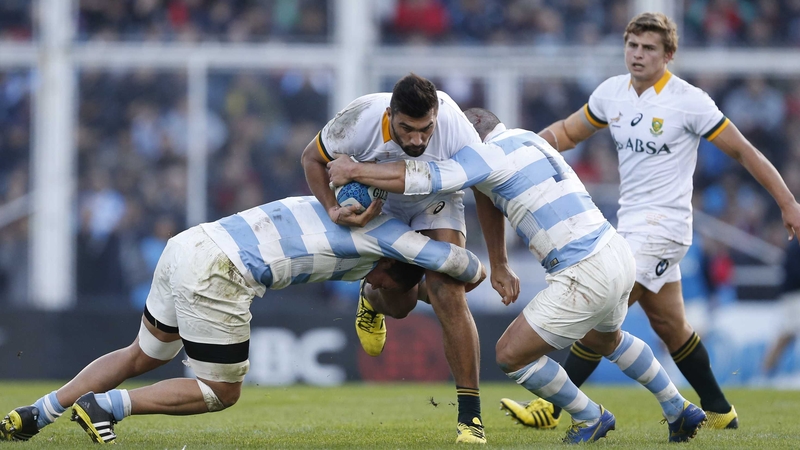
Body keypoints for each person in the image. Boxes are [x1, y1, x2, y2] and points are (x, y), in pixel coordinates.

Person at [327, 108, 706, 443]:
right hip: (615, 251)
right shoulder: (527, 140)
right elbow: (488, 196)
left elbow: (424, 178)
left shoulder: (482, 154)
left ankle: (591, 416)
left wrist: (355, 170)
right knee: (607, 341)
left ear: (472, 131)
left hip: (582, 268)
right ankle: (679, 407)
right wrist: (500, 262)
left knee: (511, 356)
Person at [500, 11, 800, 431]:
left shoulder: (689, 100)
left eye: (649, 48)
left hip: (667, 228)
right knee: (671, 325)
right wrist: (522, 149)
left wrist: (788, 202)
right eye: (633, 46)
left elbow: (743, 151)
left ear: (669, 54)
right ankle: (720, 411)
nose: (638, 55)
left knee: (601, 311)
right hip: (630, 225)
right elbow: (567, 133)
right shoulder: (612, 94)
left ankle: (552, 409)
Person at [0, 196, 486, 444]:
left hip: (190, 243)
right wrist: (489, 267)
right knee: (219, 391)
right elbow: (469, 270)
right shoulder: (395, 246)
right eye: (383, 285)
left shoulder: (344, 198)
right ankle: (107, 407)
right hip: (222, 271)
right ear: (384, 274)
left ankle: (36, 413)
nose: (378, 287)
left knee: (144, 352)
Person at [301, 73, 518, 444]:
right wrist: (333, 209)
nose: (417, 139)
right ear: (390, 114)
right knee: (399, 305)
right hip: (380, 205)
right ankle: (371, 298)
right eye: (407, 129)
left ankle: (470, 418)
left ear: (436, 116)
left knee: (447, 289)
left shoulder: (454, 124)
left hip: (436, 200)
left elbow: (485, 188)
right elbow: (311, 159)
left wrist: (498, 262)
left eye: (425, 129)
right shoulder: (360, 118)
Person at [762, 242, 800, 375]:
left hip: (792, 296)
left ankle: (766, 370)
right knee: (785, 335)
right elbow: (793, 272)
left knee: (786, 336)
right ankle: (765, 371)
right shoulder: (795, 246)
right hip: (793, 297)